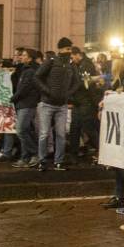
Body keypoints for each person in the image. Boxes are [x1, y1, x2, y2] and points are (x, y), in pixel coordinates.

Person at [34, 37, 80, 172]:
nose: (69, 51)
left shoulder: (71, 65)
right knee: (44, 133)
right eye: (67, 49)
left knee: (61, 134)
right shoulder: (51, 61)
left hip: (61, 105)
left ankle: (58, 161)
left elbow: (77, 82)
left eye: (70, 49)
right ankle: (42, 161)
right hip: (47, 104)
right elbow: (37, 77)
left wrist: (68, 94)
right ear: (60, 49)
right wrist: (47, 92)